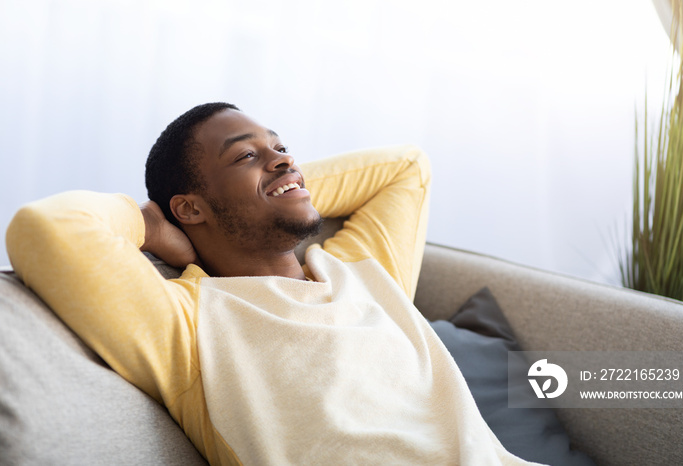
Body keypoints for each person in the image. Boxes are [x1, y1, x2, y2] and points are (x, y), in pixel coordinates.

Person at [6, 103, 536, 465]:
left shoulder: (364, 272)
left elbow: (405, 167)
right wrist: (150, 224)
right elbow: (45, 228)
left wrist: (282, 183)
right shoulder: (189, 325)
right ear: (189, 207)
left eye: (281, 147)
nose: (283, 157)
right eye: (245, 154)